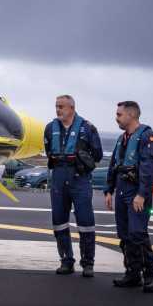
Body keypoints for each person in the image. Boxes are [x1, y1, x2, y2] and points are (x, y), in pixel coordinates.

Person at [43, 95, 103, 277]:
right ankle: (66, 261)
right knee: (59, 221)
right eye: (56, 106)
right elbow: (48, 150)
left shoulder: (88, 128)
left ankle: (88, 263)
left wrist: (82, 162)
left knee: (85, 221)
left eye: (61, 106)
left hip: (79, 178)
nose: (58, 110)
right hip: (58, 177)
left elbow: (98, 154)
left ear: (72, 108)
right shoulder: (50, 128)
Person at [105, 101, 153, 293]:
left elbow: (148, 169)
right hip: (122, 190)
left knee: (137, 233)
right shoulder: (122, 139)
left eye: (119, 114)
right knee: (125, 234)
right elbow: (114, 165)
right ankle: (132, 274)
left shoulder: (147, 137)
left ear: (131, 115)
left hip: (136, 192)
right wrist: (109, 190)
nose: (116, 118)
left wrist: (141, 195)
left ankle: (150, 276)